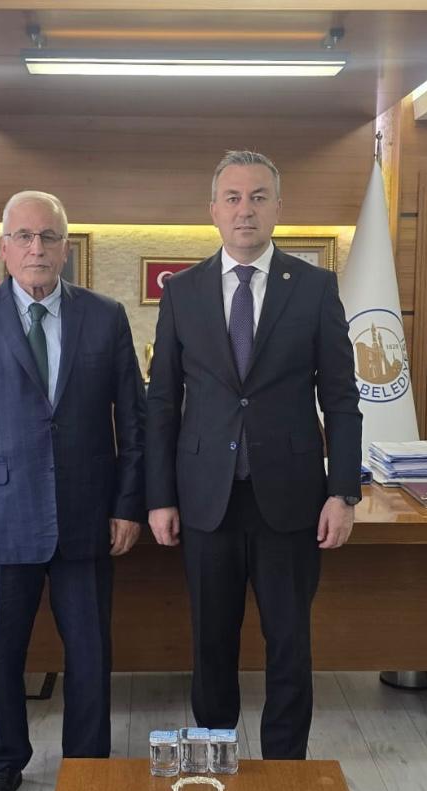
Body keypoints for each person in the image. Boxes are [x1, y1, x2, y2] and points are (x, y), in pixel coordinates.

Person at [0, 190, 146, 791]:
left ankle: (87, 768)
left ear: (65, 247)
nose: (36, 248)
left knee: (90, 654)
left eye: (48, 236)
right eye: (23, 236)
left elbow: (134, 425)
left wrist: (128, 504)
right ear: (2, 248)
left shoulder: (105, 317)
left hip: (87, 515)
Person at [146, 150, 362, 759]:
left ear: (278, 208)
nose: (246, 210)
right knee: (211, 642)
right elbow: (161, 401)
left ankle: (287, 769)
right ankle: (214, 762)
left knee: (289, 643)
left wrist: (343, 492)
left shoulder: (315, 288)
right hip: (205, 499)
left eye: (259, 197)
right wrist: (159, 496)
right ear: (213, 210)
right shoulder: (182, 291)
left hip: (291, 499)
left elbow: (341, 398)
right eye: (234, 198)